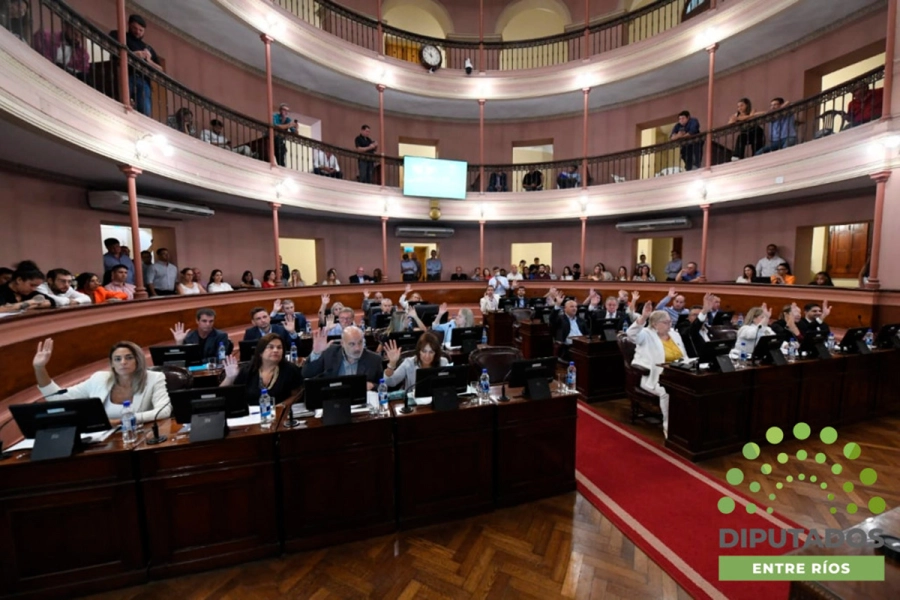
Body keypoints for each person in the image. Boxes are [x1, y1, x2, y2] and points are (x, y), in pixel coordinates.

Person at [33, 338, 170, 424]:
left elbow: (163, 411)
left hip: (140, 436)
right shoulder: (99, 379)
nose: (123, 362)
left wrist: (121, 421)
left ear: (138, 360)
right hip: (103, 439)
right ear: (112, 364)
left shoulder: (154, 378)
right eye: (117, 359)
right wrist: (39, 368)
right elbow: (57, 398)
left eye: (129, 358)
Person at [626, 301, 688, 438]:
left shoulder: (674, 334)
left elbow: (684, 355)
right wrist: (643, 317)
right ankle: (669, 427)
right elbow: (631, 334)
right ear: (655, 324)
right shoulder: (646, 334)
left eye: (670, 322)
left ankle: (687, 424)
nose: (669, 324)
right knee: (668, 392)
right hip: (653, 377)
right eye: (666, 322)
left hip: (678, 373)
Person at [221, 333, 304, 405]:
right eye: (270, 347)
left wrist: (281, 406)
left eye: (279, 347)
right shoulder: (247, 370)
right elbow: (222, 396)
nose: (276, 350)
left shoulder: (290, 369)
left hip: (279, 414)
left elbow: (297, 395)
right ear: (260, 352)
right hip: (251, 415)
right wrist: (230, 378)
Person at [109, 14, 161, 117]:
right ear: (129, 25)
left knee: (145, 110)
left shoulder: (147, 47)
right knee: (122, 102)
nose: (137, 32)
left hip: (143, 80)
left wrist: (149, 60)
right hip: (125, 75)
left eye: (141, 30)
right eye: (134, 28)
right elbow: (112, 48)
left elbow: (160, 69)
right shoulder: (119, 35)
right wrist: (134, 54)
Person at [302, 326, 383, 390]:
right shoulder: (329, 352)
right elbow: (307, 374)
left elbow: (383, 386)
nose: (357, 348)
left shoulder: (374, 359)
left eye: (360, 342)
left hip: (361, 403)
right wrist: (316, 353)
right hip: (332, 400)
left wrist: (373, 386)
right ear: (342, 343)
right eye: (352, 344)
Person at [383, 332, 449, 390]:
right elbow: (390, 382)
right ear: (419, 351)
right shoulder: (409, 363)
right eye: (424, 351)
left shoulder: (443, 362)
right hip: (413, 402)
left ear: (436, 353)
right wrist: (392, 364)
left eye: (431, 352)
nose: (427, 356)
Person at [550, 294, 589, 360]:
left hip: (583, 347)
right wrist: (557, 305)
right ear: (565, 308)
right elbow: (552, 319)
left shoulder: (581, 320)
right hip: (568, 348)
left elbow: (587, 334)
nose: (574, 308)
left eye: (575, 307)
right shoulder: (560, 319)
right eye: (571, 306)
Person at [273, 103, 298, 167]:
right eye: (284, 110)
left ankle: (281, 164)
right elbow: (277, 126)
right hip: (273, 138)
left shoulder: (288, 120)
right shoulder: (275, 116)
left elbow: (295, 133)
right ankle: (278, 163)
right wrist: (289, 125)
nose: (285, 112)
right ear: (280, 110)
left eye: (287, 110)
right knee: (278, 146)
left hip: (280, 140)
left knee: (282, 149)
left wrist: (296, 128)